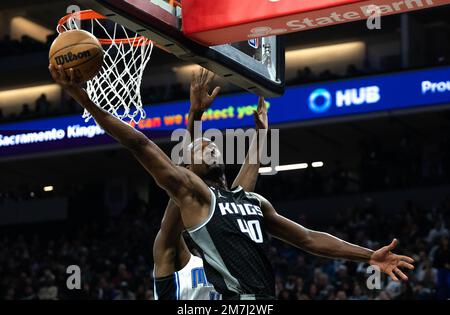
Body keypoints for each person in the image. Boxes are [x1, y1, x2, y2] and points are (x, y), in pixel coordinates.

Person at [50, 64, 415, 300]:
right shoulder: (193, 206)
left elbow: (305, 237)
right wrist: (85, 99)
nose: (208, 146)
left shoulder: (246, 201)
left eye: (211, 144)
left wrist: (369, 254)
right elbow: (143, 145)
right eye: (198, 148)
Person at [153, 70, 267, 300]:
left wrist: (261, 134)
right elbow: (182, 183)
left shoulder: (229, 262)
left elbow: (240, 194)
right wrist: (195, 116)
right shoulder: (174, 251)